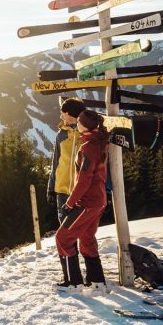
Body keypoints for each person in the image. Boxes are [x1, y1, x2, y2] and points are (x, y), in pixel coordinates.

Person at [54, 108, 109, 289]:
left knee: (63, 238)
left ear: (84, 126)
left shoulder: (87, 148)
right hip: (98, 201)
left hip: (87, 202)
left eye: (79, 121)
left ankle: (73, 283)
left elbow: (84, 181)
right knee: (86, 238)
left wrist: (70, 203)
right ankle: (97, 282)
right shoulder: (98, 142)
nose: (76, 123)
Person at [47, 97, 84, 285]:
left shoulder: (86, 133)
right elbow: (55, 163)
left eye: (64, 111)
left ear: (72, 114)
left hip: (81, 193)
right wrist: (51, 188)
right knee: (64, 236)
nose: (61, 114)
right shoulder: (61, 134)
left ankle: (84, 278)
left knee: (83, 236)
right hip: (62, 191)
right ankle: (70, 277)